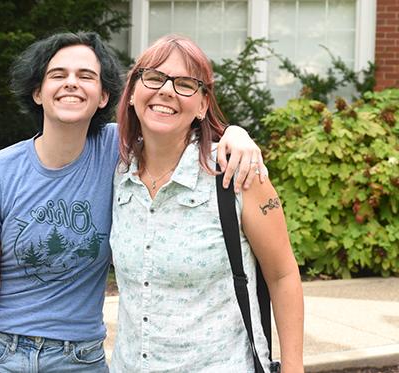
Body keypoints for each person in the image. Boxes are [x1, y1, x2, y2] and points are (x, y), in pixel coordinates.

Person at [0, 31, 266, 373]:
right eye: (58, 75)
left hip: (80, 359)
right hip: (0, 353)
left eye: (86, 76)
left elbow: (177, 126)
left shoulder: (118, 151)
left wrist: (236, 133)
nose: (71, 83)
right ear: (37, 92)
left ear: (104, 96)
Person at [110, 34, 304, 373]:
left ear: (202, 105)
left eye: (185, 84)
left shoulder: (237, 174)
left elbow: (283, 274)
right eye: (154, 77)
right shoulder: (116, 171)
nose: (167, 90)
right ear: (131, 93)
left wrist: (293, 368)